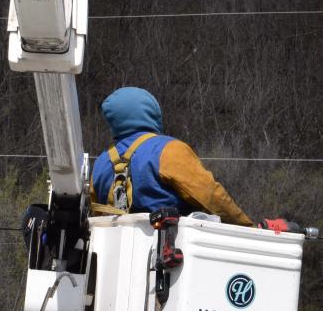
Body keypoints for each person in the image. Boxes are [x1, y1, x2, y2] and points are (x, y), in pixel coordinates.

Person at [90, 86, 254, 227]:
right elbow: (211, 197)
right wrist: (248, 228)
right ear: (151, 113)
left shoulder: (100, 164)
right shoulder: (168, 150)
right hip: (171, 251)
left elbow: (98, 217)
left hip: (117, 256)